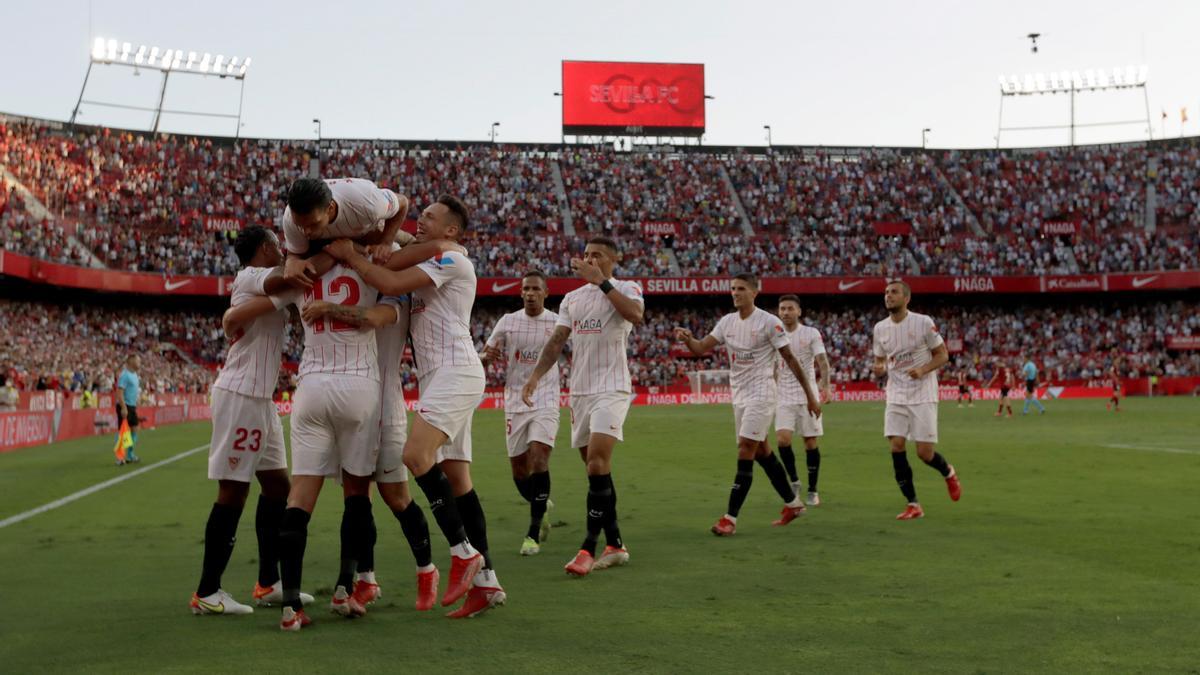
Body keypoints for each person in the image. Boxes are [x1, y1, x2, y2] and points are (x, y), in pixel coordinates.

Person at [326, 195, 503, 619]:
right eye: (419, 214)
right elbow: (399, 243)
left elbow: (387, 282)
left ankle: (463, 553)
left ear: (452, 231)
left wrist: (351, 253)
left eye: (429, 217)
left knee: (414, 455)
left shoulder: (452, 261)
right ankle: (488, 582)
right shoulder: (436, 252)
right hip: (438, 377)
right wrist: (387, 232)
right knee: (458, 479)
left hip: (456, 370)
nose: (420, 220)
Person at [190, 226, 314, 617]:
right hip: (241, 395)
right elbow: (287, 277)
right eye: (276, 245)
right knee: (233, 491)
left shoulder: (263, 285)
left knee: (278, 486)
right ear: (264, 248)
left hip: (261, 399)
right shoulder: (250, 276)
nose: (281, 250)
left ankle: (267, 582)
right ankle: (207, 592)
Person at [521, 236, 643, 578]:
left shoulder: (626, 287)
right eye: (586, 255)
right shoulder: (572, 300)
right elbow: (557, 341)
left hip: (612, 388)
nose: (588, 260)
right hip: (580, 392)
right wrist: (534, 377)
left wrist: (601, 281)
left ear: (612, 261)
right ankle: (616, 544)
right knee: (598, 472)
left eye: (597, 256)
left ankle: (588, 547)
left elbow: (636, 314)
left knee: (595, 464)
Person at [675, 277, 821, 536]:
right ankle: (793, 503)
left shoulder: (769, 322)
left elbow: (790, 359)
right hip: (739, 395)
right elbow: (699, 348)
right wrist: (688, 339)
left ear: (754, 292)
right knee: (762, 451)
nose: (735, 293)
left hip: (762, 394)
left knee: (745, 449)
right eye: (733, 289)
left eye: (741, 289)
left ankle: (729, 518)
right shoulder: (727, 322)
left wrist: (810, 395)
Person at [480, 270, 560, 556]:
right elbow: (486, 352)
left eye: (536, 289)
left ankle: (533, 533)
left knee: (539, 457)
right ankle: (542, 504)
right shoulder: (509, 321)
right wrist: (485, 357)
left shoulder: (556, 321)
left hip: (547, 399)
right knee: (519, 472)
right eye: (526, 288)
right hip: (514, 401)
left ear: (546, 293)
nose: (529, 293)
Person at [870, 281, 961, 520]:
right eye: (886, 293)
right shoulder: (880, 328)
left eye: (894, 292)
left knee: (924, 453)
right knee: (896, 446)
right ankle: (913, 504)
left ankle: (948, 472)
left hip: (922, 394)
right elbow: (880, 359)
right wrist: (879, 368)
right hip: (896, 393)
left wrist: (922, 369)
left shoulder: (923, 322)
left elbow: (942, 355)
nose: (888, 296)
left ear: (906, 298)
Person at [281, 177, 410, 287]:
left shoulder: (370, 204)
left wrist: (386, 242)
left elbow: (403, 202)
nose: (306, 231)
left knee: (408, 247)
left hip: (370, 231)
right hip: (328, 241)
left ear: (330, 208)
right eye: (300, 225)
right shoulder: (290, 217)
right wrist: (291, 262)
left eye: (314, 224)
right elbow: (295, 254)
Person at [773, 294, 831, 506]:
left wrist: (826, 385)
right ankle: (795, 481)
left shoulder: (810, 333)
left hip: (808, 395)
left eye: (790, 308)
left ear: (799, 311)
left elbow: (822, 361)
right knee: (782, 440)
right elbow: (772, 365)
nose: (786, 312)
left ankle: (813, 490)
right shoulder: (774, 334)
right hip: (783, 395)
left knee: (810, 442)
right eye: (782, 309)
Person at [115, 354, 142, 464]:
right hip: (125, 406)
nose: (139, 363)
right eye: (138, 360)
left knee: (134, 429)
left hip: (132, 406)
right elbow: (119, 392)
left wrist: (137, 399)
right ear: (131, 361)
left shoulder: (135, 374)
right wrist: (123, 408)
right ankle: (120, 457)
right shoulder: (125, 375)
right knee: (123, 432)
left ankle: (130, 455)